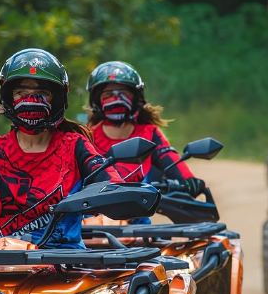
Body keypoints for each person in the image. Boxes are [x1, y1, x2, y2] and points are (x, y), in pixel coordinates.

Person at [0, 48, 121, 249]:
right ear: (9, 98)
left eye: (42, 93)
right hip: (1, 260)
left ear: (57, 98)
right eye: (21, 93)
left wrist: (118, 194)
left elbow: (111, 183)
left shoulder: (74, 145)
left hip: (66, 261)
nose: (31, 100)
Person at [86, 61, 205, 194]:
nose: (116, 99)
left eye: (123, 93)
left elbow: (168, 156)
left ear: (136, 98)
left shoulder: (149, 133)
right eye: (108, 94)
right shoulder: (87, 138)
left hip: (139, 210)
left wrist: (188, 179)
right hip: (94, 212)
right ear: (96, 100)